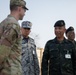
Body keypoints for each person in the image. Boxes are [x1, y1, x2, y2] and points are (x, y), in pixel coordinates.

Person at [0, 0, 28, 75]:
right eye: (24, 10)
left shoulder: (4, 23)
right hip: (10, 71)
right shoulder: (13, 25)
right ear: (19, 9)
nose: (25, 13)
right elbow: (2, 52)